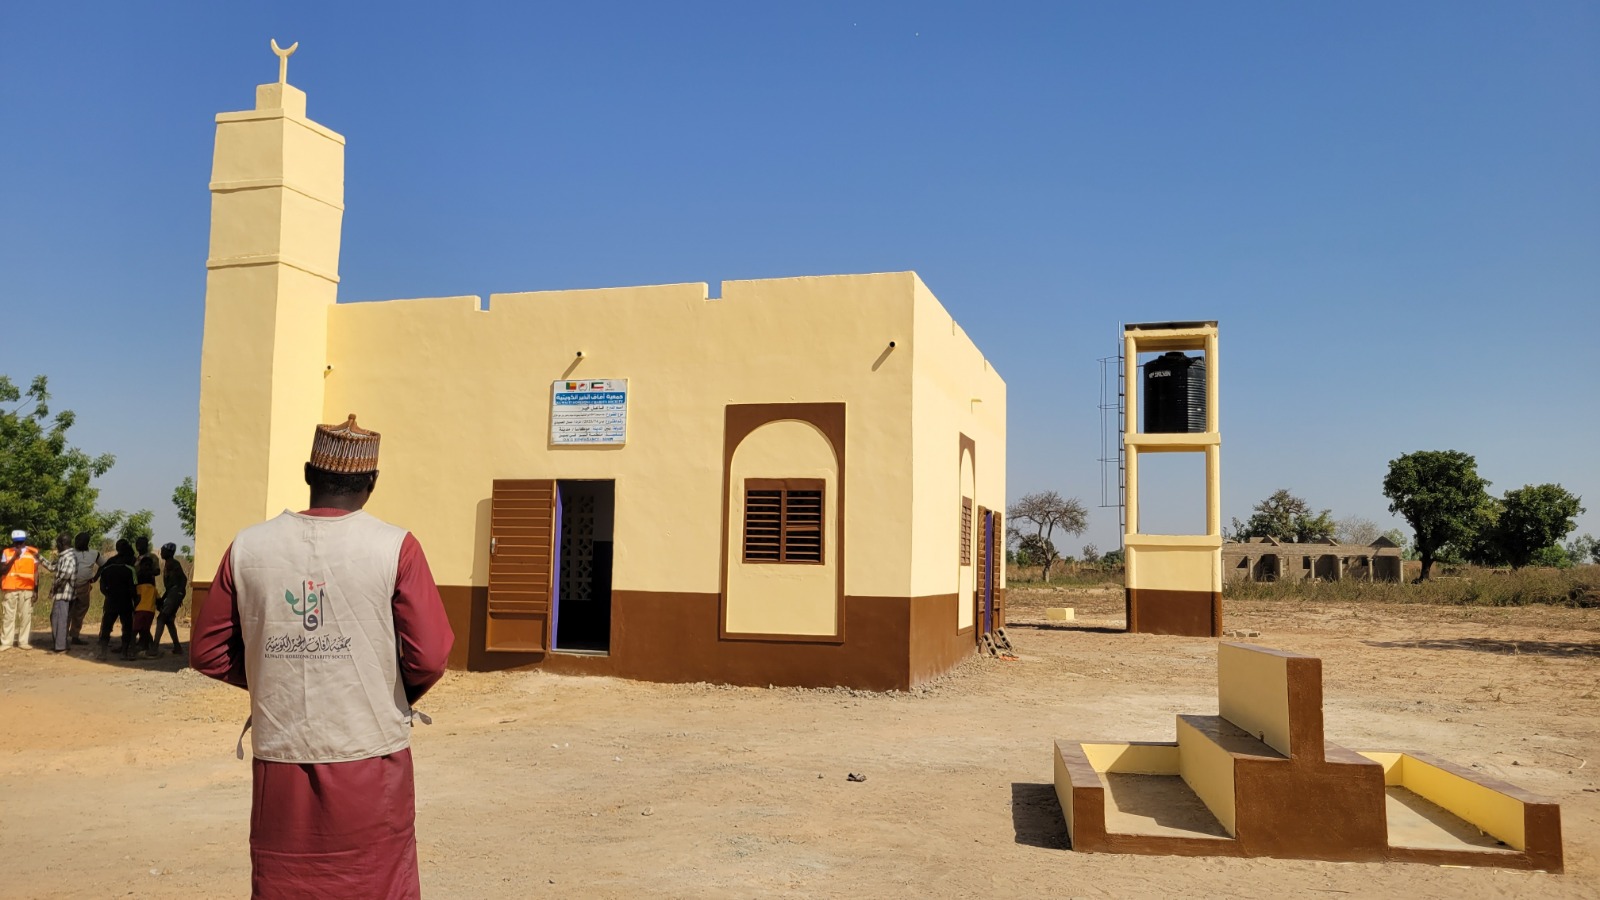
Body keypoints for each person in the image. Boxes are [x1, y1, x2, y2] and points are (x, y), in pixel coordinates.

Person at [192, 414, 453, 900]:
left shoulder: (248, 546)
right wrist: (383, 689)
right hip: (371, 757)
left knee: (286, 882)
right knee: (377, 881)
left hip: (280, 756)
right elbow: (431, 656)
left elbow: (207, 650)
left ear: (309, 473)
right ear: (372, 482)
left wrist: (276, 677)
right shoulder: (396, 546)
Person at [95, 540, 139, 661]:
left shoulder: (107, 568)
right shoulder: (130, 570)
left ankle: (103, 653)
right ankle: (124, 653)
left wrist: (109, 595)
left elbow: (102, 587)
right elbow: (133, 589)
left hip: (111, 601)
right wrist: (135, 601)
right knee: (127, 627)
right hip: (125, 602)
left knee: (107, 626)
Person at [1, 530, 43, 651]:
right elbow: (3, 570)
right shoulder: (7, 552)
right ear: (13, 541)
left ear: (24, 541)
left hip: (26, 589)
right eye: (16, 542)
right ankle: (6, 642)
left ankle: (23, 641)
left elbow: (36, 573)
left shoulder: (33, 552)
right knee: (8, 616)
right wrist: (14, 557)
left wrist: (36, 591)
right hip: (10, 588)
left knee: (25, 616)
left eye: (20, 542)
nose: (18, 544)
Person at [155, 542, 188, 655]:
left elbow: (181, 581)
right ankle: (177, 647)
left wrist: (177, 594)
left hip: (175, 593)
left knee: (161, 618)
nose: (161, 552)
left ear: (169, 552)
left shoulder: (173, 564)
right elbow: (171, 586)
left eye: (163, 550)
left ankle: (154, 647)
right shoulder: (169, 564)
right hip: (174, 593)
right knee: (168, 620)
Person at [67, 532, 100, 645]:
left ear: (86, 542)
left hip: (84, 587)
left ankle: (75, 636)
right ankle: (62, 636)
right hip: (69, 586)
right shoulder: (69, 552)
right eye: (76, 541)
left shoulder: (94, 553)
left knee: (80, 612)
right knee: (67, 611)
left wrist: (96, 577)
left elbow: (104, 565)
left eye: (79, 541)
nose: (77, 543)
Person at [48, 533, 77, 653]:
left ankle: (60, 647)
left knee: (59, 619)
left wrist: (54, 587)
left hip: (63, 593)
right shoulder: (63, 556)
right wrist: (38, 557)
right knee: (56, 617)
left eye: (58, 543)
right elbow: (52, 567)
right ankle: (61, 644)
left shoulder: (69, 557)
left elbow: (65, 575)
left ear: (62, 543)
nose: (57, 546)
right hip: (62, 593)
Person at [133, 536, 161, 658]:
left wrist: (145, 572)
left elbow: (157, 571)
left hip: (148, 587)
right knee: (139, 620)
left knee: (142, 621)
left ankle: (144, 644)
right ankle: (146, 643)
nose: (139, 546)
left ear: (146, 545)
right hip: (137, 588)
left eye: (142, 544)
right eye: (137, 544)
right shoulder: (135, 559)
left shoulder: (152, 557)